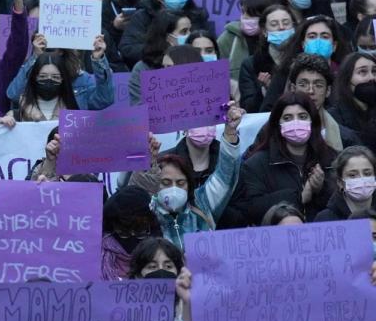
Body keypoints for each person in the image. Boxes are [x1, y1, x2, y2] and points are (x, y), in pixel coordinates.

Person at [231, 92, 336, 224]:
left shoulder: (330, 159)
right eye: (287, 118)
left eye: (302, 116)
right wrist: (299, 197)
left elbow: (342, 204)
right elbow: (250, 208)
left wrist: (321, 190)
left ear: (312, 121)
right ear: (277, 124)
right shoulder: (256, 164)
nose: (296, 122)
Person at [150, 104, 244, 250]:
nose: (174, 189)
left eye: (181, 183)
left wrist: (230, 132)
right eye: (166, 183)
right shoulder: (149, 210)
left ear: (190, 186)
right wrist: (145, 160)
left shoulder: (201, 203)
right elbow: (131, 191)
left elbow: (226, 175)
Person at [315, 146, 376, 222]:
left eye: (367, 173)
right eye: (352, 175)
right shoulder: (325, 219)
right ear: (340, 182)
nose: (362, 179)